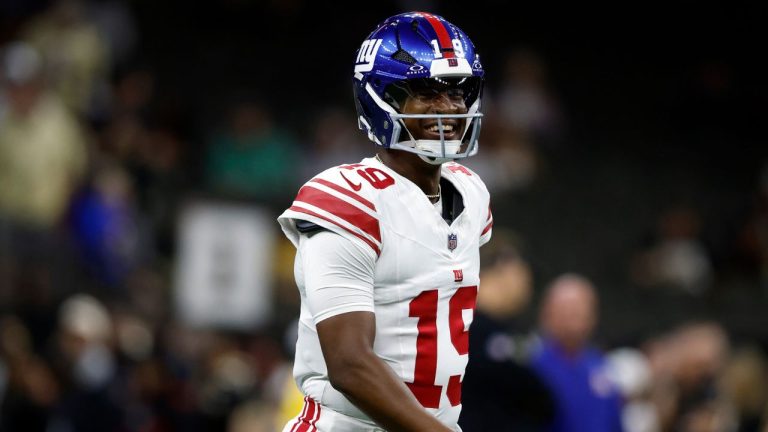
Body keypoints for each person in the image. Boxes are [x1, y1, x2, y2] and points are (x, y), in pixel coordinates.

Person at [277, 12, 490, 432]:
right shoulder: (349, 201)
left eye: (456, 91)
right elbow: (349, 364)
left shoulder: (472, 194)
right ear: (382, 98)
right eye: (426, 92)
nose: (449, 107)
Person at [530, 274, 624, 432]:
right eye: (566, 309)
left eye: (581, 308)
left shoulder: (601, 366)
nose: (574, 315)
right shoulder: (532, 366)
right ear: (546, 314)